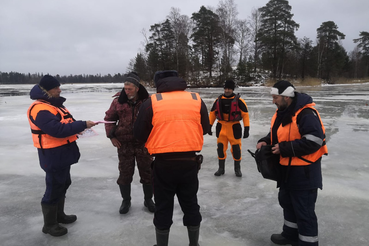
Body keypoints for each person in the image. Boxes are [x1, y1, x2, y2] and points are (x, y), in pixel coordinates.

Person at [134, 70, 210, 246]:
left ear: (158, 83)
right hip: (189, 163)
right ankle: (194, 244)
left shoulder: (151, 102)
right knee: (191, 204)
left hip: (163, 164)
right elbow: (205, 127)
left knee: (163, 206)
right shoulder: (196, 100)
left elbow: (138, 134)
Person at [256, 80, 328, 246]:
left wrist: (284, 149)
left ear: (286, 97)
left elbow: (314, 140)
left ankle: (308, 243)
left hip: (305, 172)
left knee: (304, 211)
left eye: (275, 97)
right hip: (287, 171)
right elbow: (277, 134)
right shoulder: (283, 112)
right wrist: (265, 141)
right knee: (287, 203)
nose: (273, 101)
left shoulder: (306, 114)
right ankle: (290, 235)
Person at [27, 75, 97, 237]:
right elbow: (56, 130)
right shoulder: (40, 108)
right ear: (46, 90)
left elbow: (66, 123)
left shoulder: (53, 105)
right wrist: (82, 124)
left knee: (63, 182)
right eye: (56, 88)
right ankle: (49, 225)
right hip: (52, 154)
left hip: (62, 151)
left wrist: (79, 126)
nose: (59, 90)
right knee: (54, 186)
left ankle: (59, 215)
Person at [104, 72, 155, 214]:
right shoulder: (117, 102)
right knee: (125, 173)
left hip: (143, 144)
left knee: (148, 172)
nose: (126, 92)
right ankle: (126, 200)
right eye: (125, 89)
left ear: (137, 88)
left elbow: (156, 121)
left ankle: (148, 200)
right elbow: (109, 119)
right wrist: (111, 136)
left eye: (129, 89)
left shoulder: (148, 101)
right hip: (124, 144)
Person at [208, 79, 250, 177]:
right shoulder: (218, 100)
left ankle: (237, 169)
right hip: (221, 127)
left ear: (233, 89)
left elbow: (245, 115)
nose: (227, 91)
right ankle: (221, 169)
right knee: (220, 149)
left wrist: (246, 128)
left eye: (229, 89)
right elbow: (212, 114)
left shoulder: (239, 101)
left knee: (236, 149)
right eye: (226, 88)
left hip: (234, 127)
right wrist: (209, 126)